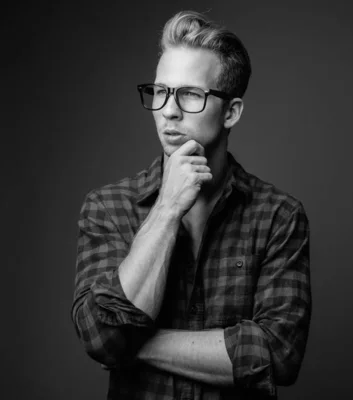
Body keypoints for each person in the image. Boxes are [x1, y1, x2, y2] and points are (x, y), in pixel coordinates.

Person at [71, 10, 311, 400]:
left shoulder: (278, 216)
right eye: (161, 91)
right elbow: (101, 337)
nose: (168, 110)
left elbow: (278, 355)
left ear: (231, 111)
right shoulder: (108, 207)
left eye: (190, 94)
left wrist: (137, 345)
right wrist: (166, 208)